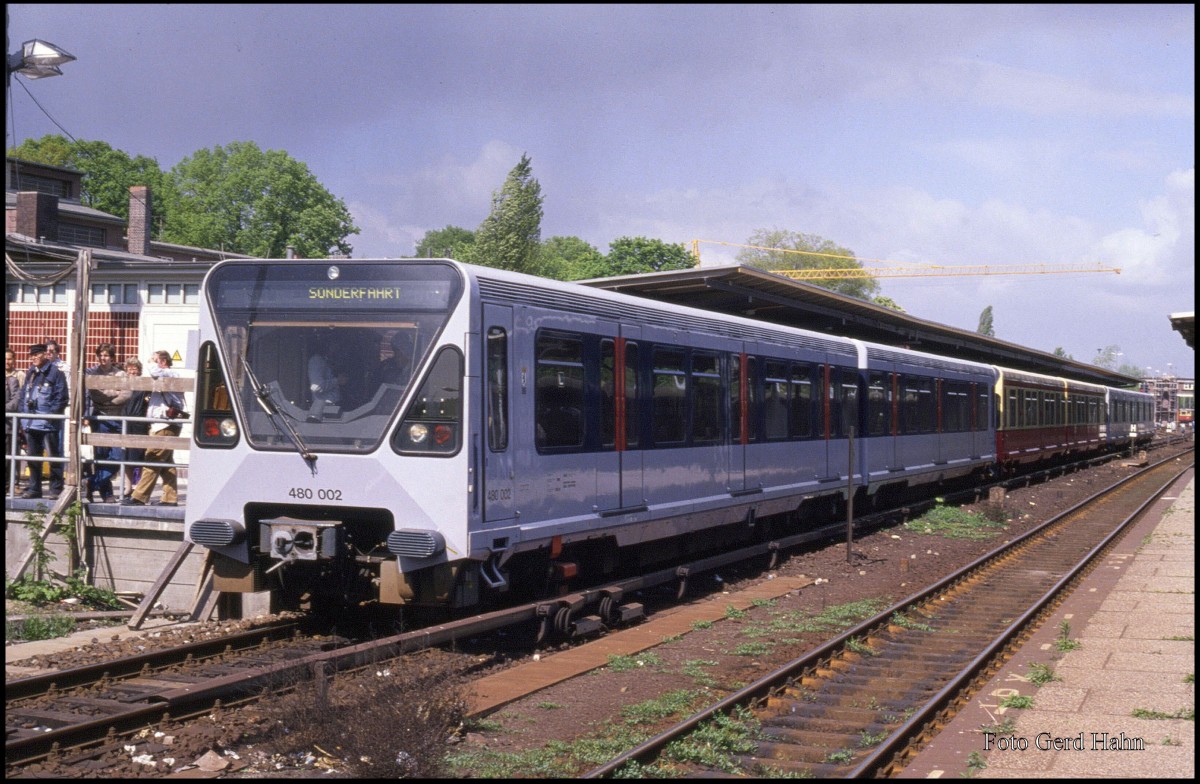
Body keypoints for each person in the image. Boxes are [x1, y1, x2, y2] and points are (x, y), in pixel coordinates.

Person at [122, 351, 184, 507]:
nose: (152, 363)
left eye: (156, 360)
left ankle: (139, 496)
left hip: (165, 424)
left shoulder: (170, 373)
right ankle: (170, 498)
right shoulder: (162, 376)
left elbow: (153, 370)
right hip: (161, 424)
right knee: (166, 463)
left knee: (152, 458)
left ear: (162, 362)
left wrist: (151, 360)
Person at [18, 343, 68, 499]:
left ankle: (56, 488)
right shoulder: (31, 372)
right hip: (31, 422)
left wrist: (50, 416)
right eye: (31, 355)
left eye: (36, 355)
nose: (33, 358)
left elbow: (61, 398)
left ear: (44, 355)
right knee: (33, 457)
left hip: (48, 424)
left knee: (53, 456)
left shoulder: (56, 374)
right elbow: (23, 395)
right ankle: (35, 488)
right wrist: (23, 416)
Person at [83, 343, 128, 503]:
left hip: (116, 418)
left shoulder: (120, 374)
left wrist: (109, 399)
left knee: (117, 457)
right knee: (101, 457)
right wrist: (113, 393)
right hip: (100, 419)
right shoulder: (93, 373)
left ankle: (91, 482)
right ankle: (107, 494)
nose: (103, 358)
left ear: (112, 357)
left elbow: (126, 394)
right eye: (101, 355)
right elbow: (96, 395)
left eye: (106, 355)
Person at [119, 357, 150, 498]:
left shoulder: (144, 384)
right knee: (126, 456)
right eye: (129, 368)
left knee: (139, 456)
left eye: (135, 368)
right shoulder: (123, 384)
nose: (132, 371)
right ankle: (128, 487)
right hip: (125, 422)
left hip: (139, 423)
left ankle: (140, 488)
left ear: (139, 370)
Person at [5, 349, 24, 493]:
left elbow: (20, 399)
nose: (7, 362)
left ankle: (14, 483)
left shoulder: (19, 376)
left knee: (13, 453)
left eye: (10, 359)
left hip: (13, 422)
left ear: (14, 360)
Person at [307, 336, 345, 405]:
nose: (337, 348)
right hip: (324, 407)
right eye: (334, 345)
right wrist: (337, 381)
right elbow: (316, 387)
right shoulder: (316, 361)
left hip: (334, 406)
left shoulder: (327, 361)